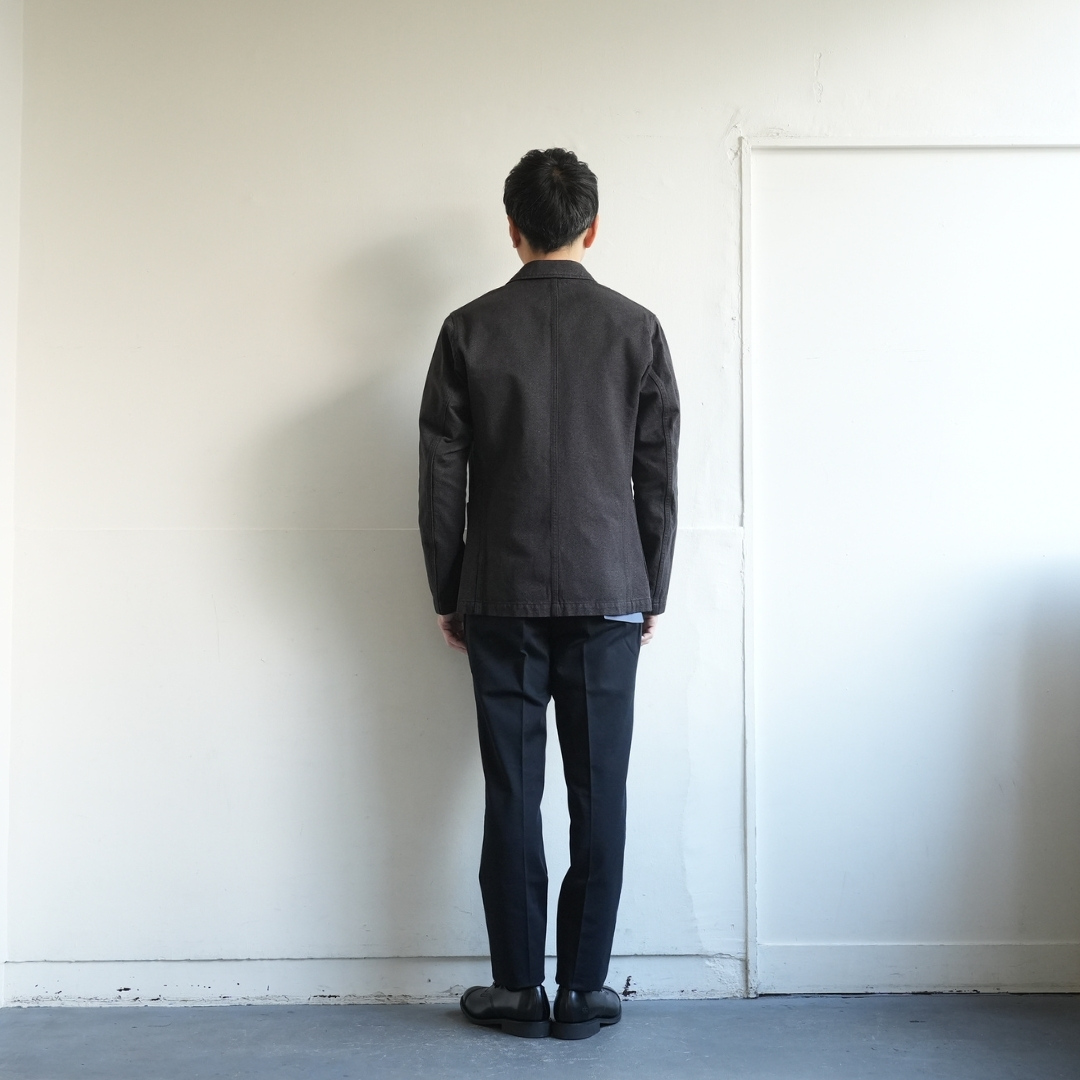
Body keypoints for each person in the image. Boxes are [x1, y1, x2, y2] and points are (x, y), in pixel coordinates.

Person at [418, 148, 679, 1040]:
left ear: (513, 228)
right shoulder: (637, 328)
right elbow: (657, 473)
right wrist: (650, 589)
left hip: (501, 591)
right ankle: (584, 992)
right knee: (600, 793)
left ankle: (518, 989)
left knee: (512, 791)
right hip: (609, 592)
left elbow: (441, 474)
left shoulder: (468, 329)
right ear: (591, 227)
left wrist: (449, 586)